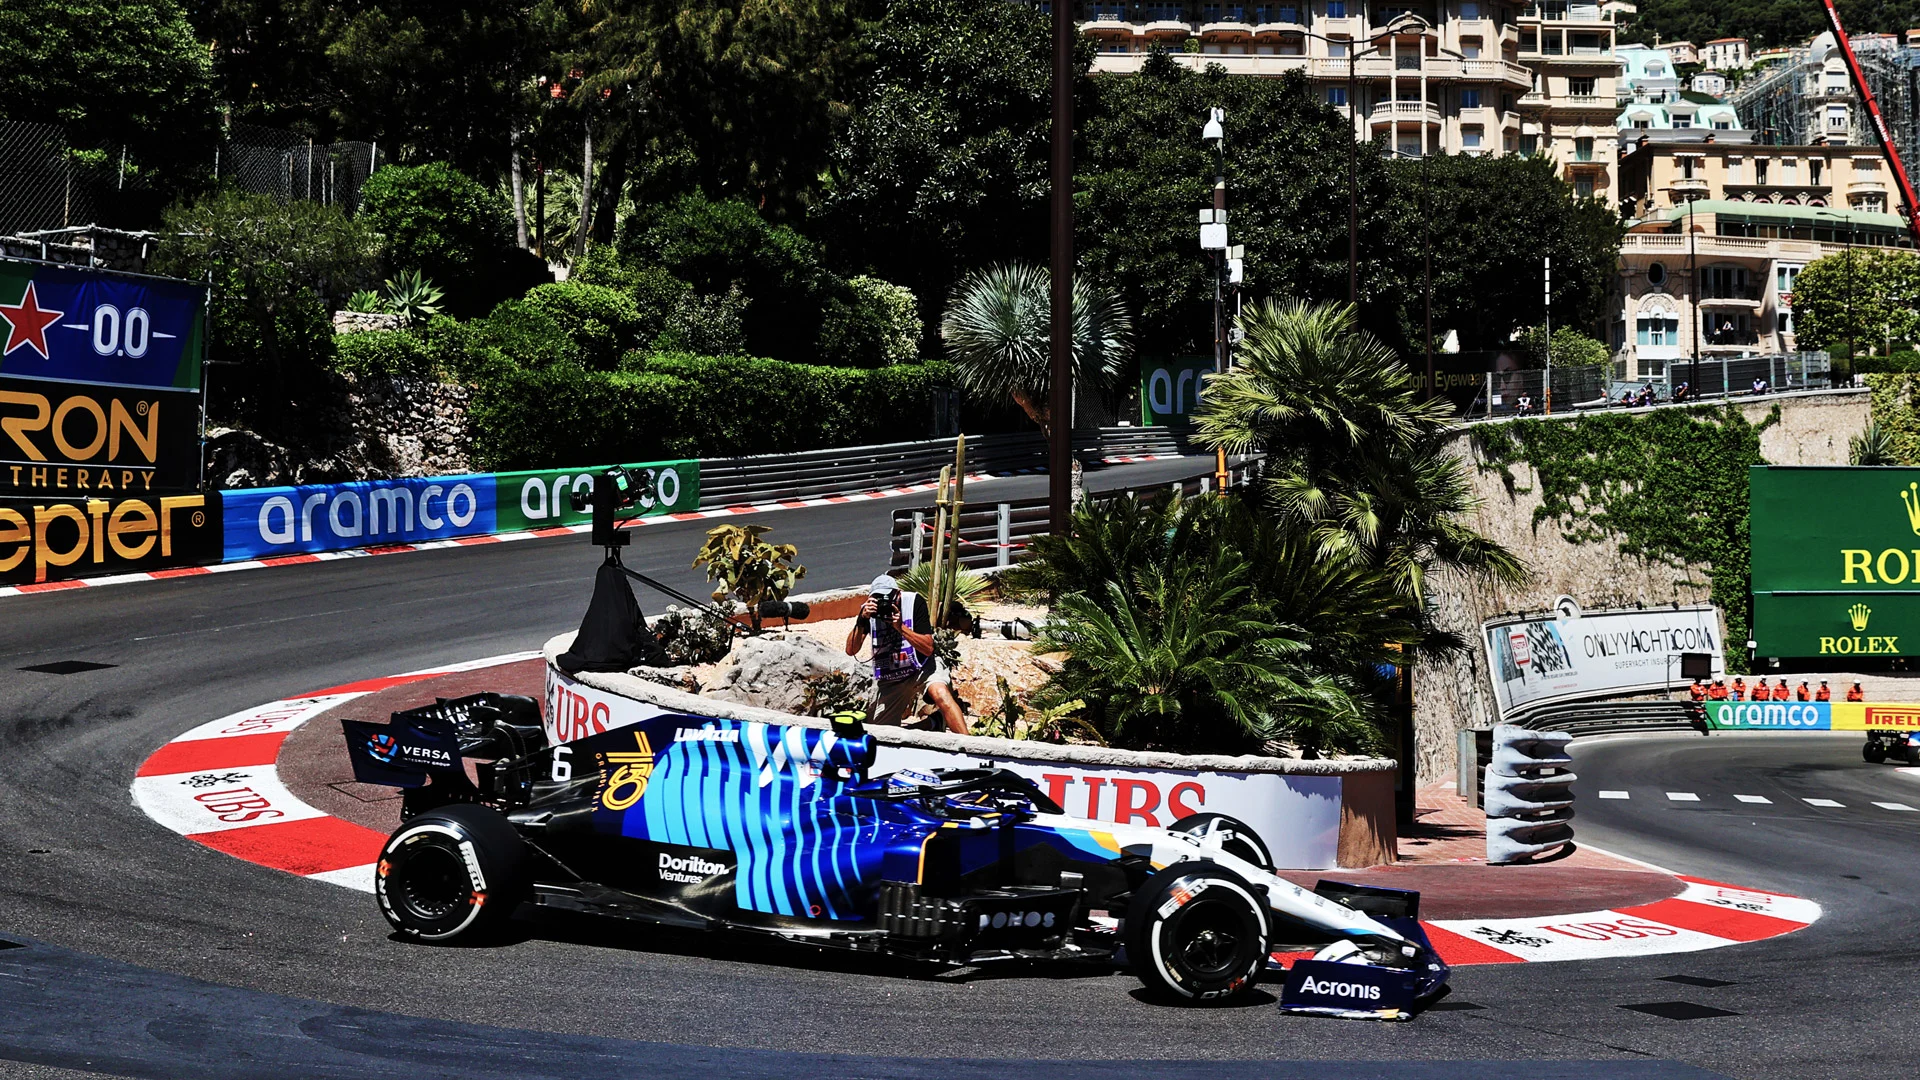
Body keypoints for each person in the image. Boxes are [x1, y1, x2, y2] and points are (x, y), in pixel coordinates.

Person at [844, 574, 967, 734]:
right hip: (892, 675)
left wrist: (900, 627)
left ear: (898, 594)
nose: (884, 603)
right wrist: (861, 620)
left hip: (921, 666)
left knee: (940, 693)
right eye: (878, 599)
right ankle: (931, 724)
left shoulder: (913, 602)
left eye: (888, 598)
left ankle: (970, 745)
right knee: (883, 735)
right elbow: (851, 650)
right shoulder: (869, 612)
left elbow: (928, 648)